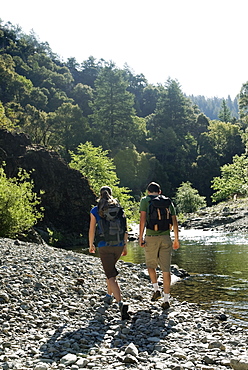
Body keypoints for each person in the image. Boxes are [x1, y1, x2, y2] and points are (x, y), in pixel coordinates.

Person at [88, 186, 130, 320]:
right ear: (111, 194)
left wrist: (91, 244)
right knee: (110, 269)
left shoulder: (96, 210)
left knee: (111, 275)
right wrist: (125, 245)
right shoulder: (119, 209)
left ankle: (120, 303)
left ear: (100, 195)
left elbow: (92, 229)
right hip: (118, 244)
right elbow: (125, 228)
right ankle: (108, 295)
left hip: (104, 245)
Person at [139, 181, 180, 310]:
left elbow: (143, 219)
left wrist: (140, 237)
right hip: (166, 238)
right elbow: (174, 221)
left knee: (151, 266)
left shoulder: (145, 200)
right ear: (160, 192)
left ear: (148, 191)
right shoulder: (167, 201)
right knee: (166, 269)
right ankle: (167, 299)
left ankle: (156, 289)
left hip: (151, 237)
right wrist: (176, 239)